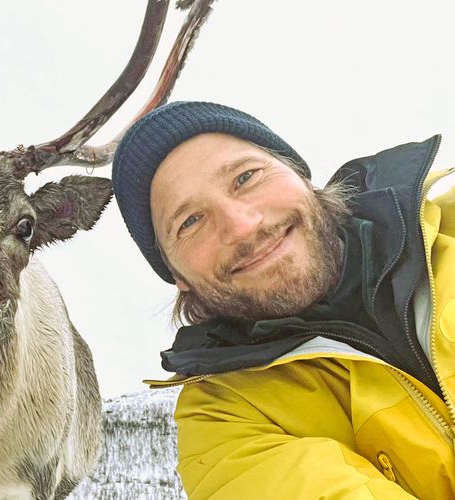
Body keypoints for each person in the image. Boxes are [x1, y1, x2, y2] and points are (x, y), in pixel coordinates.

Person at [111, 101, 455, 499]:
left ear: (299, 174)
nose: (242, 226)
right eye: (190, 222)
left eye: (245, 177)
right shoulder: (225, 423)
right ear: (178, 278)